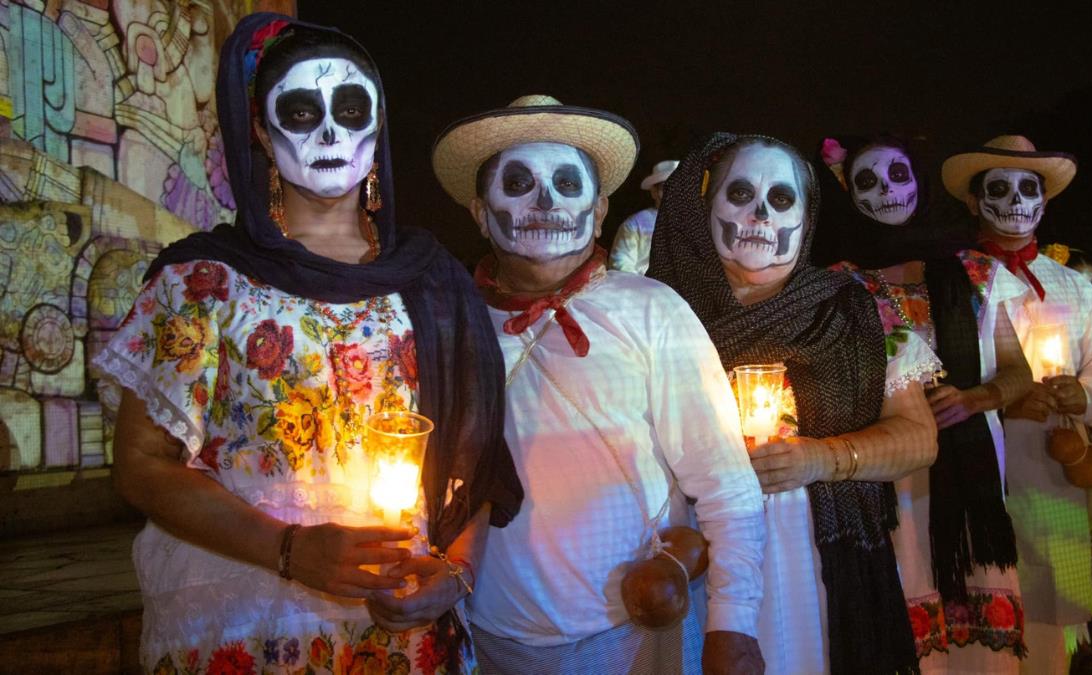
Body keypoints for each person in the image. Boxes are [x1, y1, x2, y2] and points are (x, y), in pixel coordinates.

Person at [95, 14, 521, 673]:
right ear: (261, 131)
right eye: (300, 111)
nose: (329, 133)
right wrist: (291, 549)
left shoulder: (431, 279)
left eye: (351, 111)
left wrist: (457, 572)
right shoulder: (204, 280)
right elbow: (142, 464)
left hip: (398, 633)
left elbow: (478, 454)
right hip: (246, 624)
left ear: (378, 127)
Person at [431, 96, 766, 675]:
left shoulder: (651, 310)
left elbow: (726, 483)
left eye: (566, 183)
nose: (545, 202)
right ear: (481, 212)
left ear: (602, 206)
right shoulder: (447, 322)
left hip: (639, 637)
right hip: (490, 640)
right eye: (518, 183)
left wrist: (732, 622)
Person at [649, 132, 940, 675]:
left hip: (815, 562)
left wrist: (820, 458)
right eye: (740, 194)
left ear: (807, 218)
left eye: (781, 199)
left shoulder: (856, 313)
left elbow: (919, 438)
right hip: (689, 556)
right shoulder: (652, 315)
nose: (760, 214)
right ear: (704, 205)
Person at [943, 135, 1092, 673]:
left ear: (1045, 201)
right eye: (1000, 188)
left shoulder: (1074, 288)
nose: (1017, 200)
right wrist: (1000, 404)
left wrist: (1084, 391)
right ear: (975, 201)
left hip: (1056, 465)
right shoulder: (953, 283)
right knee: (988, 594)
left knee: (1055, 603)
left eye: (1030, 188)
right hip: (984, 465)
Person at [813, 135, 1033, 672]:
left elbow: (1018, 373)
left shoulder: (975, 272)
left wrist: (976, 397)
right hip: (888, 476)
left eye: (898, 175)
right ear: (847, 192)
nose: (887, 191)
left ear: (921, 182)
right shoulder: (835, 283)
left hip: (971, 467)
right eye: (867, 181)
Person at [609, 159, 678, 273]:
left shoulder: (697, 224)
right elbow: (620, 264)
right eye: (666, 187)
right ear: (654, 192)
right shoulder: (635, 224)